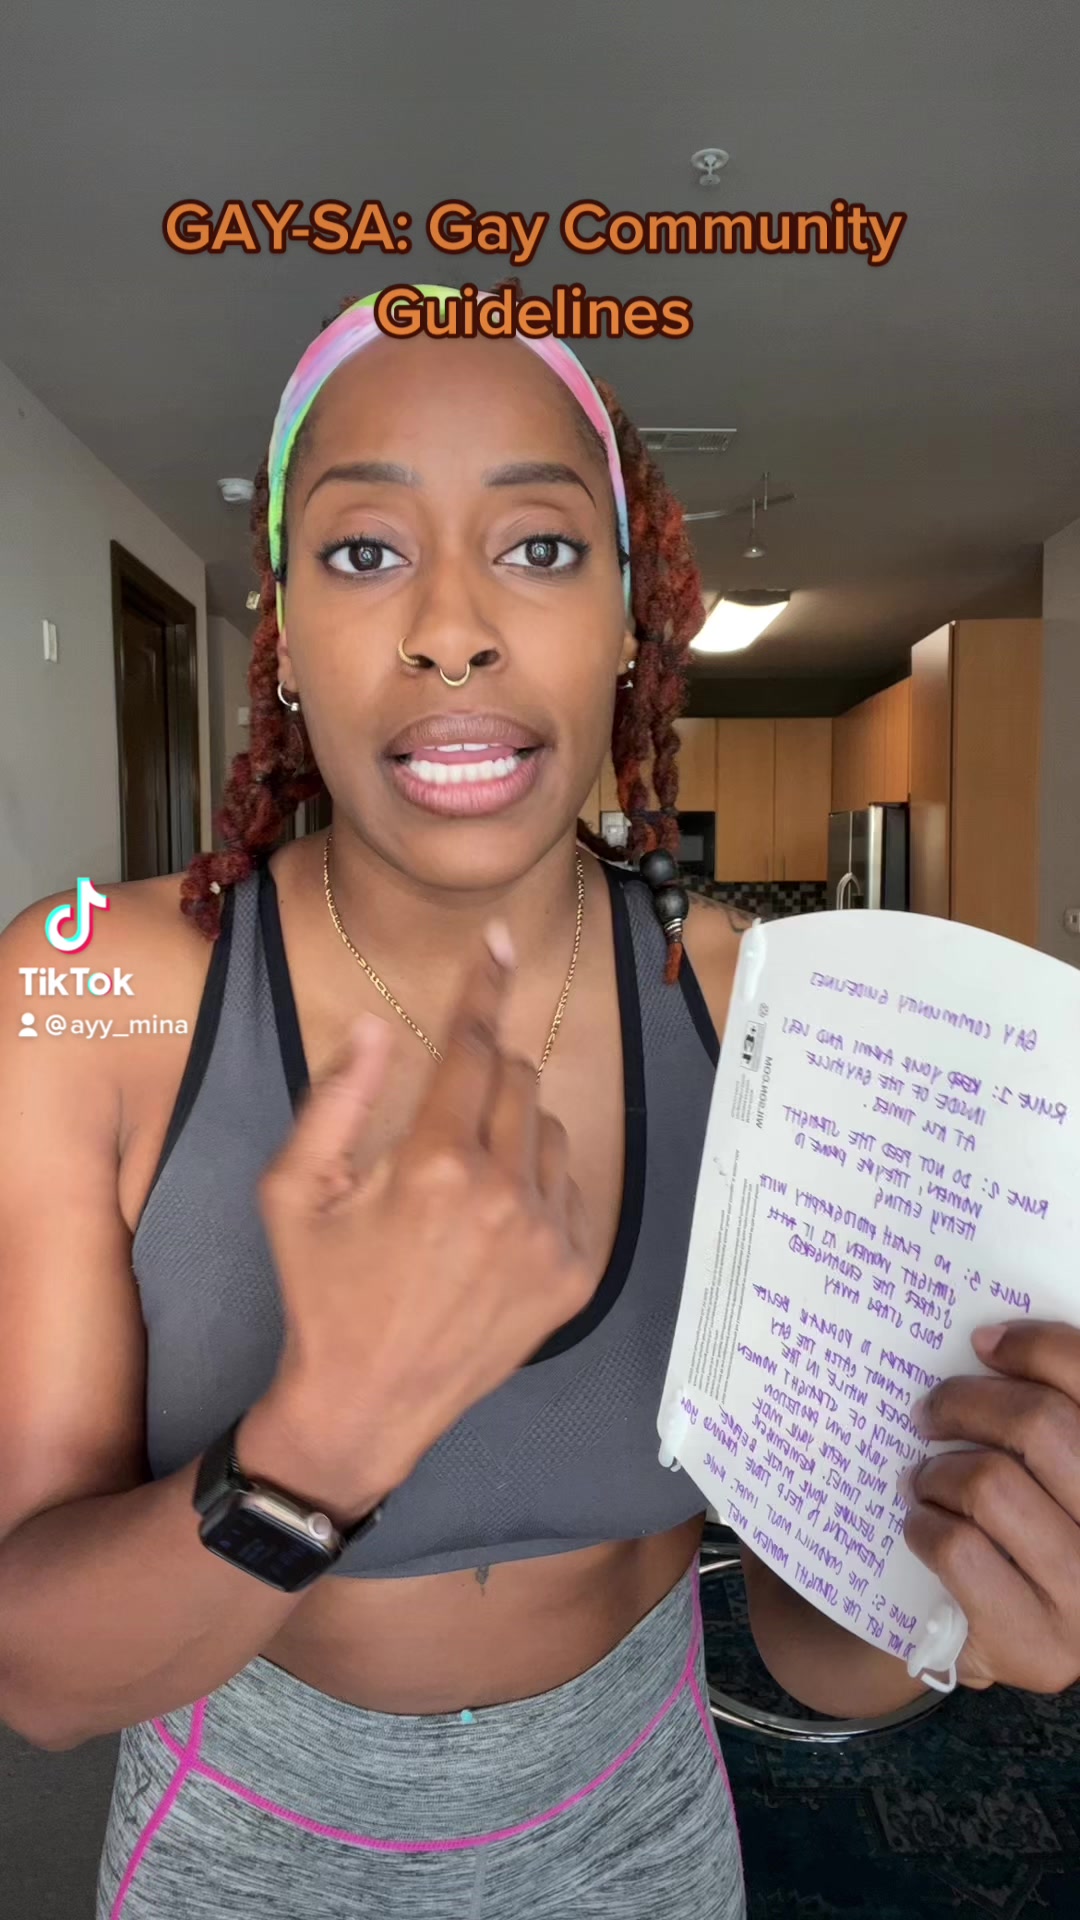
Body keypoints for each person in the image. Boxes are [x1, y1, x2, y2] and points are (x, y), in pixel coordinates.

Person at [1, 286, 1078, 1920]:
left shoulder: (766, 1016)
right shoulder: (89, 998)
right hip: (248, 1845)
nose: (453, 627)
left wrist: (964, 1587)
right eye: (367, 549)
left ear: (632, 624)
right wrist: (322, 1441)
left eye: (543, 546)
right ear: (283, 637)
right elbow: (42, 1678)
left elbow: (813, 1643)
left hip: (640, 1834)